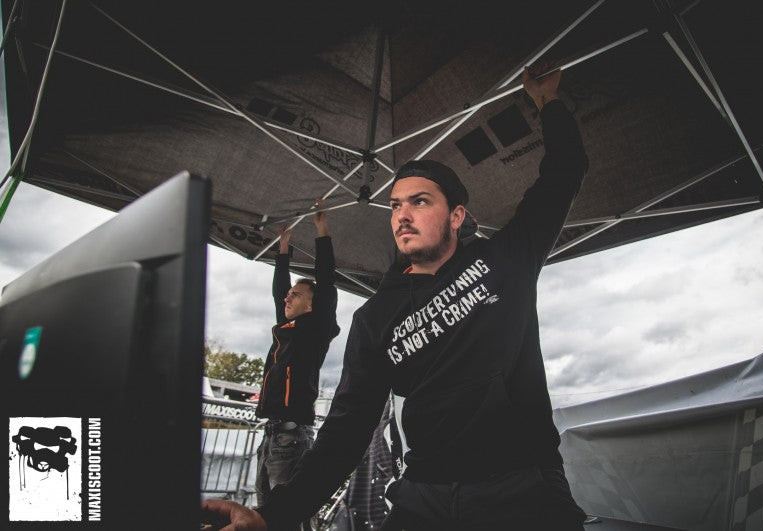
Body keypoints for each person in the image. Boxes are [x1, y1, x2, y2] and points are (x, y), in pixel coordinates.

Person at [203, 62, 588, 530]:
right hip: (423, 494)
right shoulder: (375, 317)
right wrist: (273, 516)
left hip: (521, 485)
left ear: (456, 216)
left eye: (420, 201)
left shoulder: (506, 260)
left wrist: (547, 102)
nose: (402, 215)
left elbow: (564, 173)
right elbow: (346, 430)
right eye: (395, 205)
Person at [252, 205, 340, 524]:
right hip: (272, 433)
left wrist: (322, 231)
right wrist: (283, 249)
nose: (287, 298)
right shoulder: (286, 329)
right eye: (289, 295)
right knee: (264, 515)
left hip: (291, 435)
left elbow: (326, 281)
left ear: (312, 305)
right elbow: (279, 292)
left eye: (296, 295)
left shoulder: (315, 330)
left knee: (287, 517)